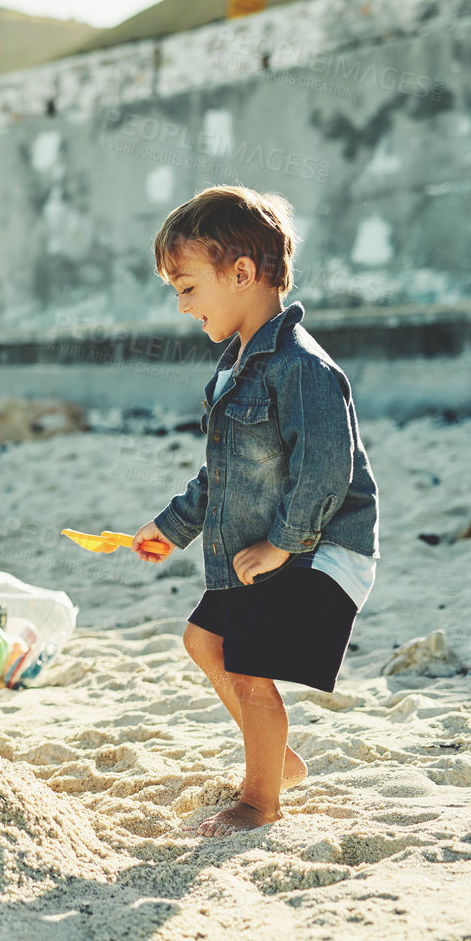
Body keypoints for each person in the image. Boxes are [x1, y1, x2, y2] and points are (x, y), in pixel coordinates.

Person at [131, 186, 380, 838]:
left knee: (245, 664)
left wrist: (280, 544)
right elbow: (223, 473)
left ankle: (259, 800)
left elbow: (326, 470)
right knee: (202, 639)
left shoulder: (301, 368)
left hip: (321, 545)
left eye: (186, 286)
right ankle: (277, 757)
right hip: (271, 540)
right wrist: (171, 527)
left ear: (241, 273)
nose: (181, 305)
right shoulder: (234, 368)